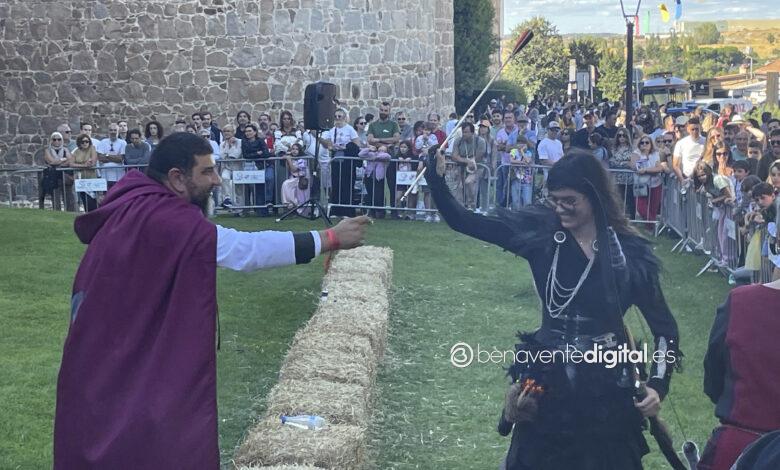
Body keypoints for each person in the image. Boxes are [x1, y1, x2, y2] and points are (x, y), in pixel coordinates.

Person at [53, 132, 369, 469]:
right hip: (122, 352)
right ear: (177, 178)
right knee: (145, 437)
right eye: (206, 172)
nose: (216, 180)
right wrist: (328, 237)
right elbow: (243, 250)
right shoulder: (166, 218)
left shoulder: (135, 204)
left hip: (104, 349)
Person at [425, 147, 679, 470]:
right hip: (546, 383)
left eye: (570, 201)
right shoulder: (540, 235)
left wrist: (658, 384)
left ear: (595, 196)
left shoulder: (629, 255)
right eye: (554, 200)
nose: (560, 209)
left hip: (607, 389)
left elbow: (665, 330)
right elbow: (464, 221)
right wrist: (436, 178)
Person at [699, 278, 780, 470]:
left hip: (738, 446)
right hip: (742, 451)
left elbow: (713, 383)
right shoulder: (741, 300)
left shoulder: (741, 301)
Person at [40, 131, 71, 211]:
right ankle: (57, 212)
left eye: (59, 139)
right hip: (53, 177)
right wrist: (62, 159)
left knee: (68, 195)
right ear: (51, 140)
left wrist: (58, 163)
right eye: (54, 139)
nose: (57, 141)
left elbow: (70, 160)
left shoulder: (65, 149)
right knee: (55, 196)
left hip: (64, 176)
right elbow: (51, 161)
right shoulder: (48, 150)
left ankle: (70, 212)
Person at [68, 134, 99, 212]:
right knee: (85, 201)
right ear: (79, 142)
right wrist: (84, 165)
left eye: (87, 141)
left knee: (92, 201)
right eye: (83, 142)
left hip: (92, 178)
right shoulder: (76, 151)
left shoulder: (92, 148)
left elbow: (92, 163)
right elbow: (71, 164)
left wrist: (79, 165)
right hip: (81, 179)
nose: (85, 143)